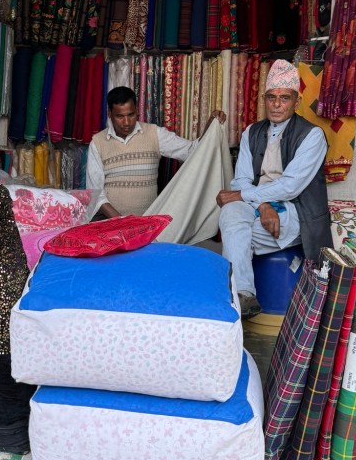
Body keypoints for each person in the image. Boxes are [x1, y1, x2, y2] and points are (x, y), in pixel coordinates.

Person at [216, 59, 331, 319]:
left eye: (284, 98)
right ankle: (243, 295)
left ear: (296, 101)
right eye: (271, 97)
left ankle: (234, 294)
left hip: (297, 212)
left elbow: (290, 187)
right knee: (230, 214)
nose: (277, 104)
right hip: (259, 206)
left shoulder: (312, 136)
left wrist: (245, 196)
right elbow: (241, 180)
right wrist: (262, 205)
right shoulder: (251, 132)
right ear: (264, 100)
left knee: (236, 234)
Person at [87, 86, 225, 218]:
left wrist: (210, 125)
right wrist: (122, 221)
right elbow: (95, 193)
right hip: (111, 222)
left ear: (137, 111)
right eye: (120, 116)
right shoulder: (98, 143)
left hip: (148, 222)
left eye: (131, 114)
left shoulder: (154, 134)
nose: (127, 122)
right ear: (109, 114)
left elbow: (192, 151)